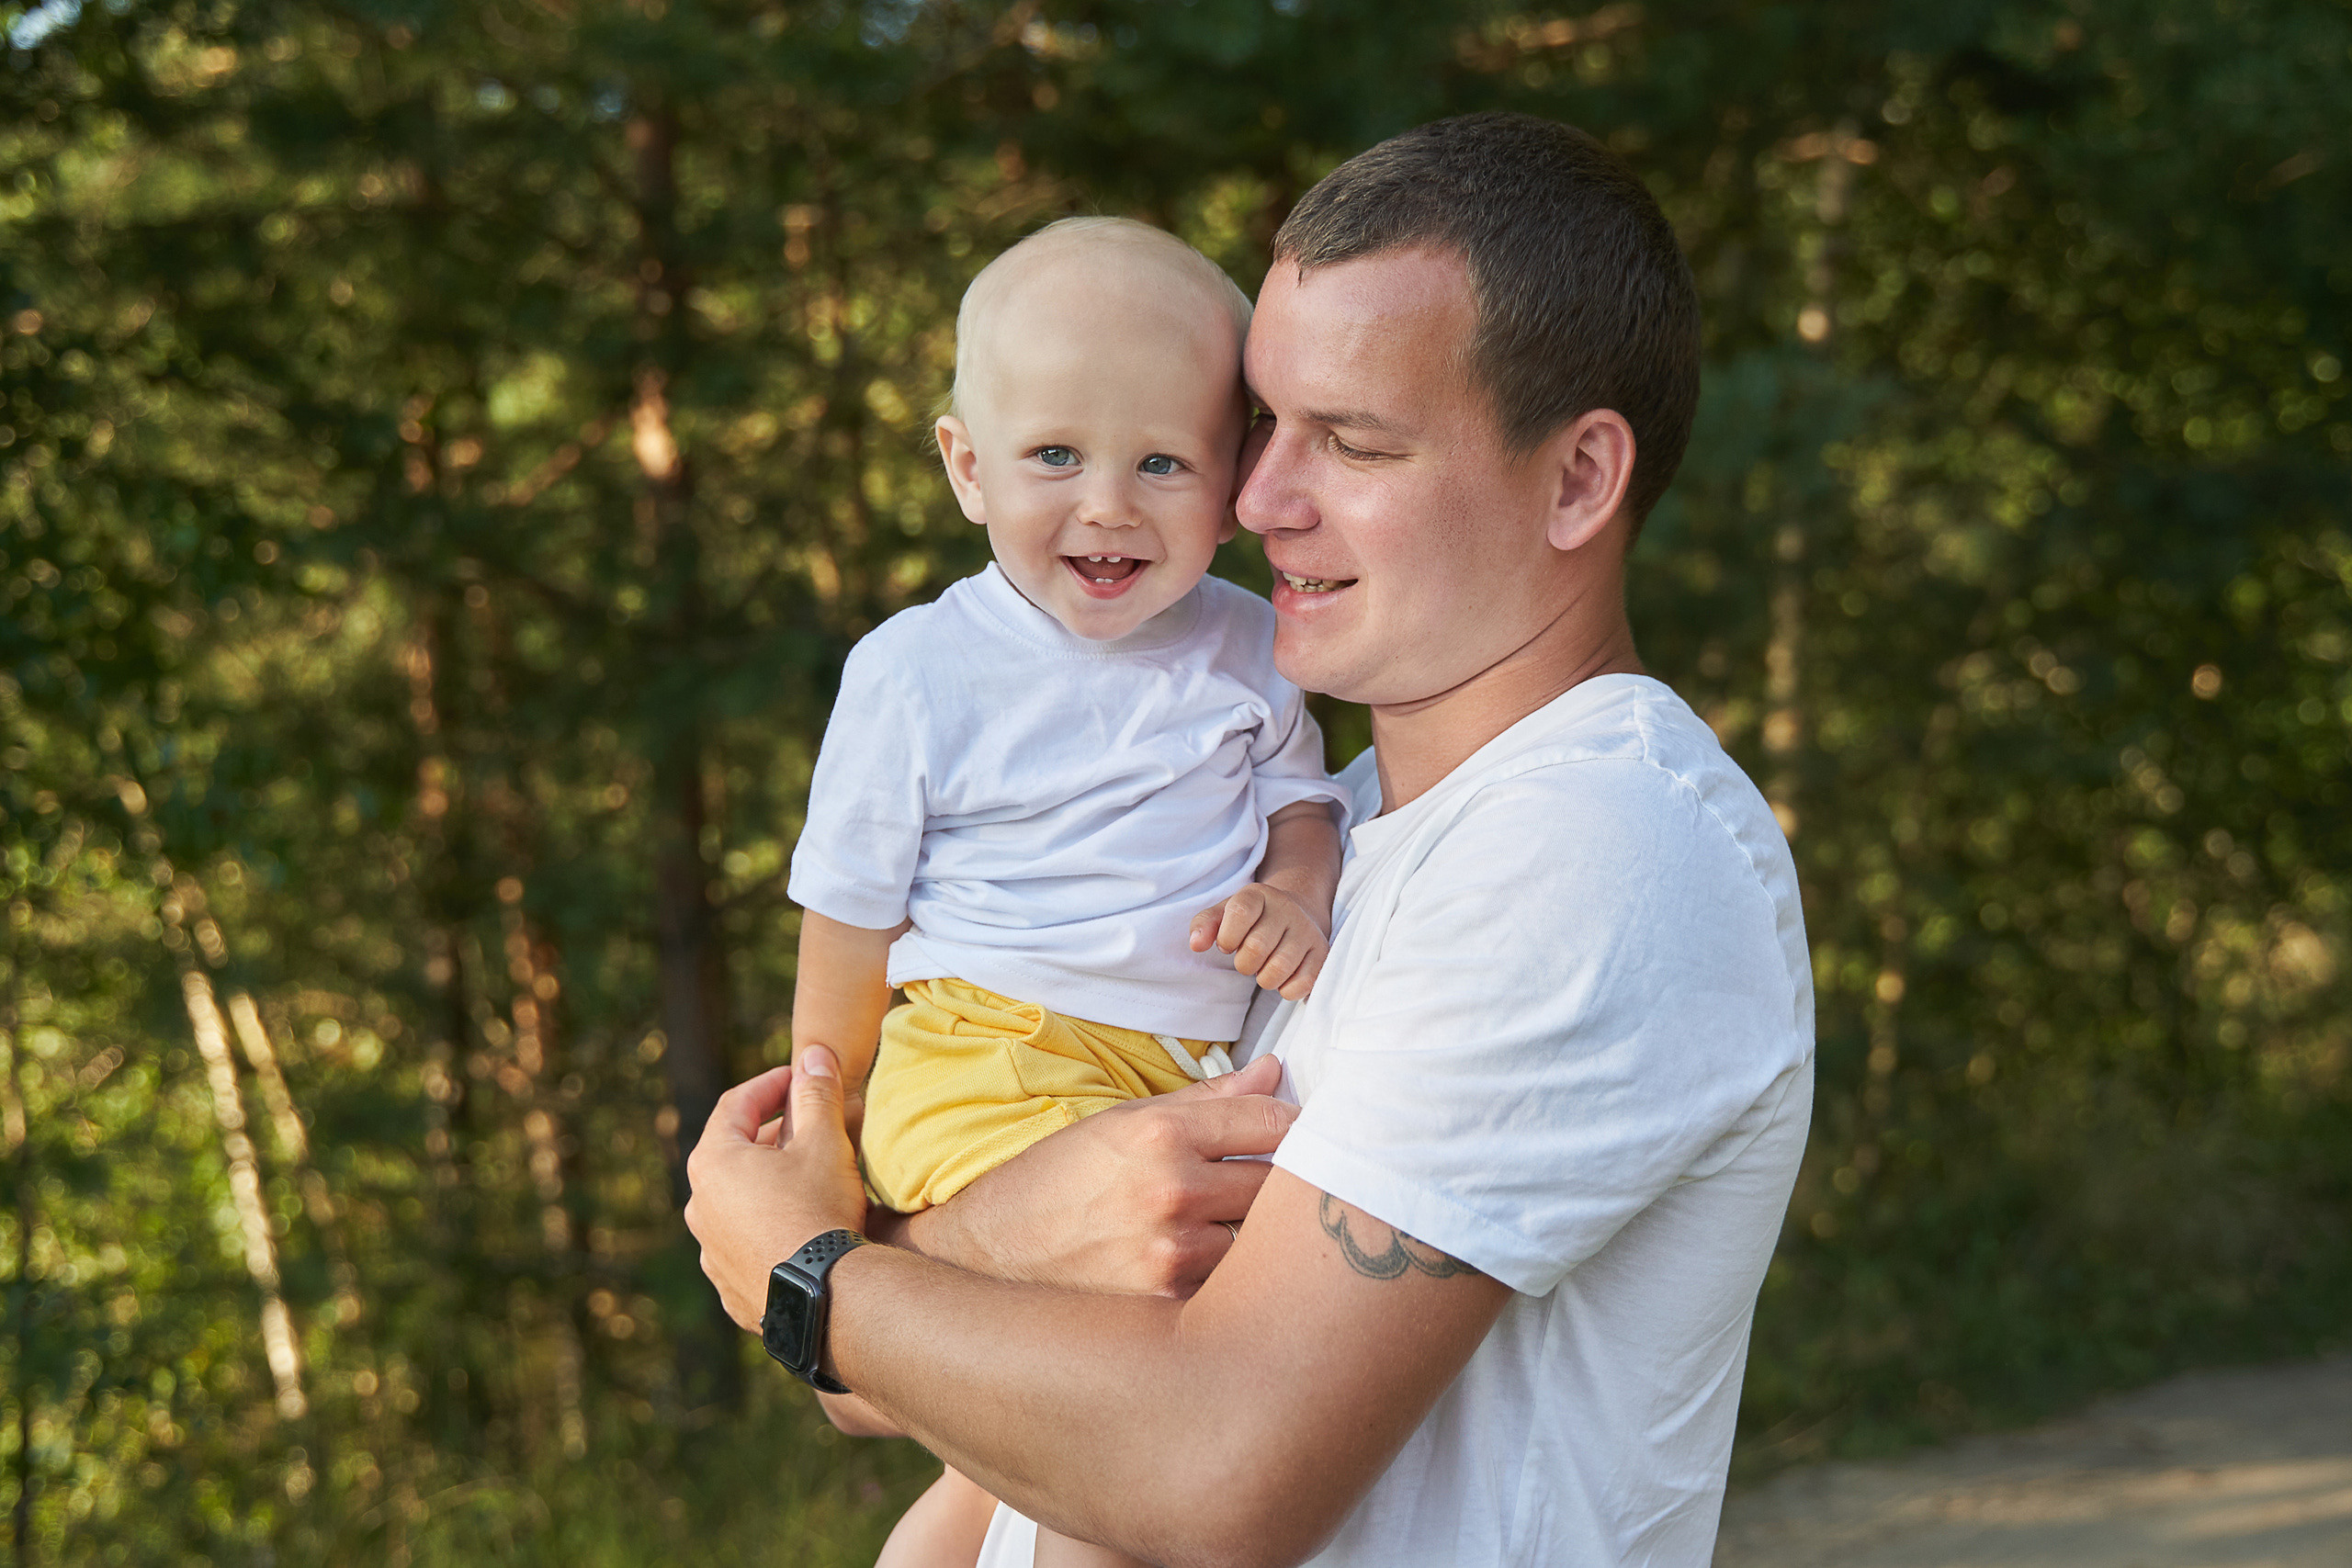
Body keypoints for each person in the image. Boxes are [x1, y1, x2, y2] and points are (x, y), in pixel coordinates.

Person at [689, 112, 1815, 1568]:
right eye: (1261, 427)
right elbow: (886, 1379)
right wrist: (928, 1259)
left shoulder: (1595, 846)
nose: (1259, 501)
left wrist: (806, 1270)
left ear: (1580, 479)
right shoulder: (1307, 840)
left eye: (1351, 440)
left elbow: (1213, 1470)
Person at [784, 216, 1346, 1568]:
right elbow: (849, 923)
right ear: (965, 467)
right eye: (1054, 457)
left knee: (1067, 1424)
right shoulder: (918, 674)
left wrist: (1299, 893)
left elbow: (1305, 806)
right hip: (985, 1056)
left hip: (1167, 1072)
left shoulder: (1253, 645)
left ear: (1233, 483)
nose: (1107, 505)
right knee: (1118, 1387)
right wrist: (822, 1131)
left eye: (1163, 461)